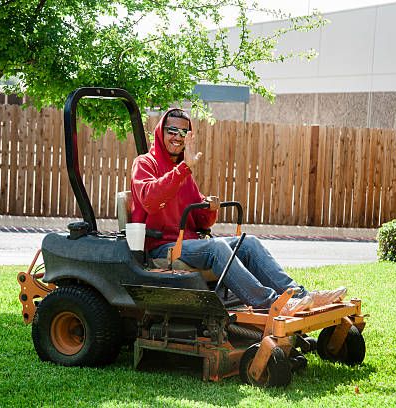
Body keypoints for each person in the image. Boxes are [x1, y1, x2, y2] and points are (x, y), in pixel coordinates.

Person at [130, 108, 346, 315]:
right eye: (172, 130)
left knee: (248, 242)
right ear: (161, 131)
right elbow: (150, 200)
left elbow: (202, 223)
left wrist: (209, 208)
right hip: (161, 247)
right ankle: (270, 304)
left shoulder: (184, 172)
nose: (178, 136)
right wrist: (184, 169)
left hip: (189, 244)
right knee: (218, 248)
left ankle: (301, 296)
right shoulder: (145, 163)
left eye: (184, 132)